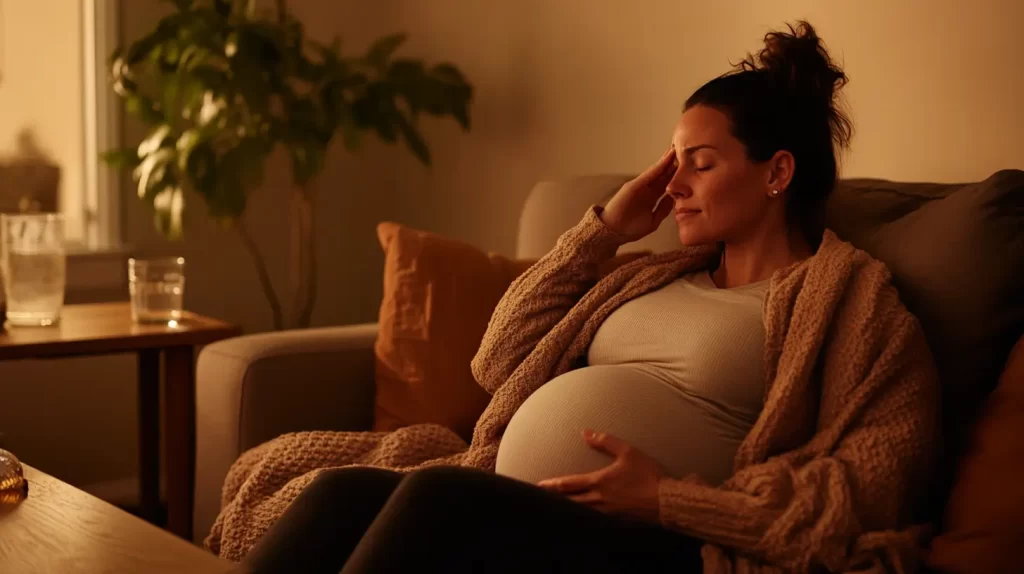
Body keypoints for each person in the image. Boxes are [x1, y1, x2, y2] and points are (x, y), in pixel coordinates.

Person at [240, 21, 938, 574]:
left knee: (434, 499)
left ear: (777, 172)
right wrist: (604, 230)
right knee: (338, 494)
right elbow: (498, 358)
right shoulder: (656, 273)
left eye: (700, 163)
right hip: (522, 502)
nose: (675, 185)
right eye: (671, 162)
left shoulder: (852, 304)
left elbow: (865, 491)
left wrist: (669, 501)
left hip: (670, 544)